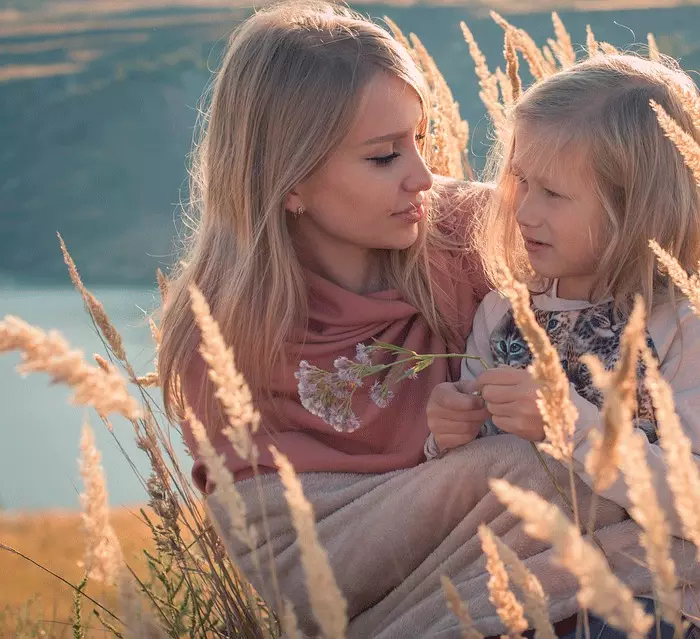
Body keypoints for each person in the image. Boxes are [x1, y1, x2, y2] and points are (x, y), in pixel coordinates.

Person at [425, 53, 700, 638]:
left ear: (634, 205)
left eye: (552, 192)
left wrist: (567, 421)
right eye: (520, 181)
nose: (523, 209)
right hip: (516, 592)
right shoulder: (505, 313)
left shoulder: (682, 325)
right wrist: (445, 437)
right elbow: (475, 488)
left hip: (643, 598)